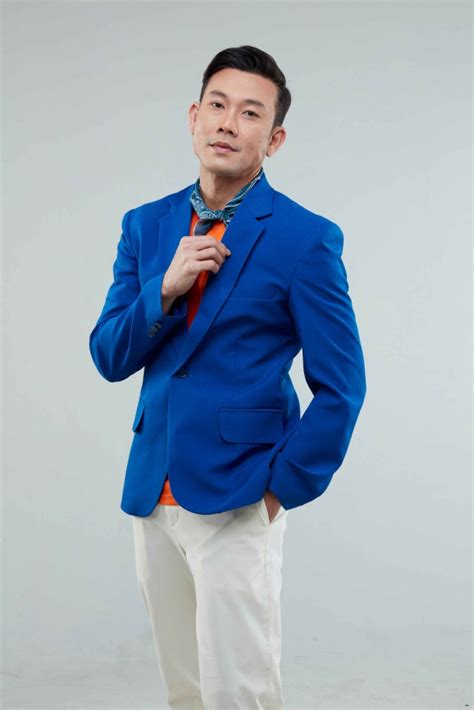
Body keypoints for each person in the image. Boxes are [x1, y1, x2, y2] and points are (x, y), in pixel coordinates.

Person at [89, 44, 367, 710]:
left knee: (239, 693)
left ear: (274, 139)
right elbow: (109, 355)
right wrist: (164, 289)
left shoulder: (305, 238)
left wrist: (278, 491)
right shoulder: (146, 225)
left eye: (249, 113)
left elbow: (343, 386)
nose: (227, 123)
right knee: (185, 692)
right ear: (194, 117)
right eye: (217, 105)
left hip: (240, 494)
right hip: (153, 491)